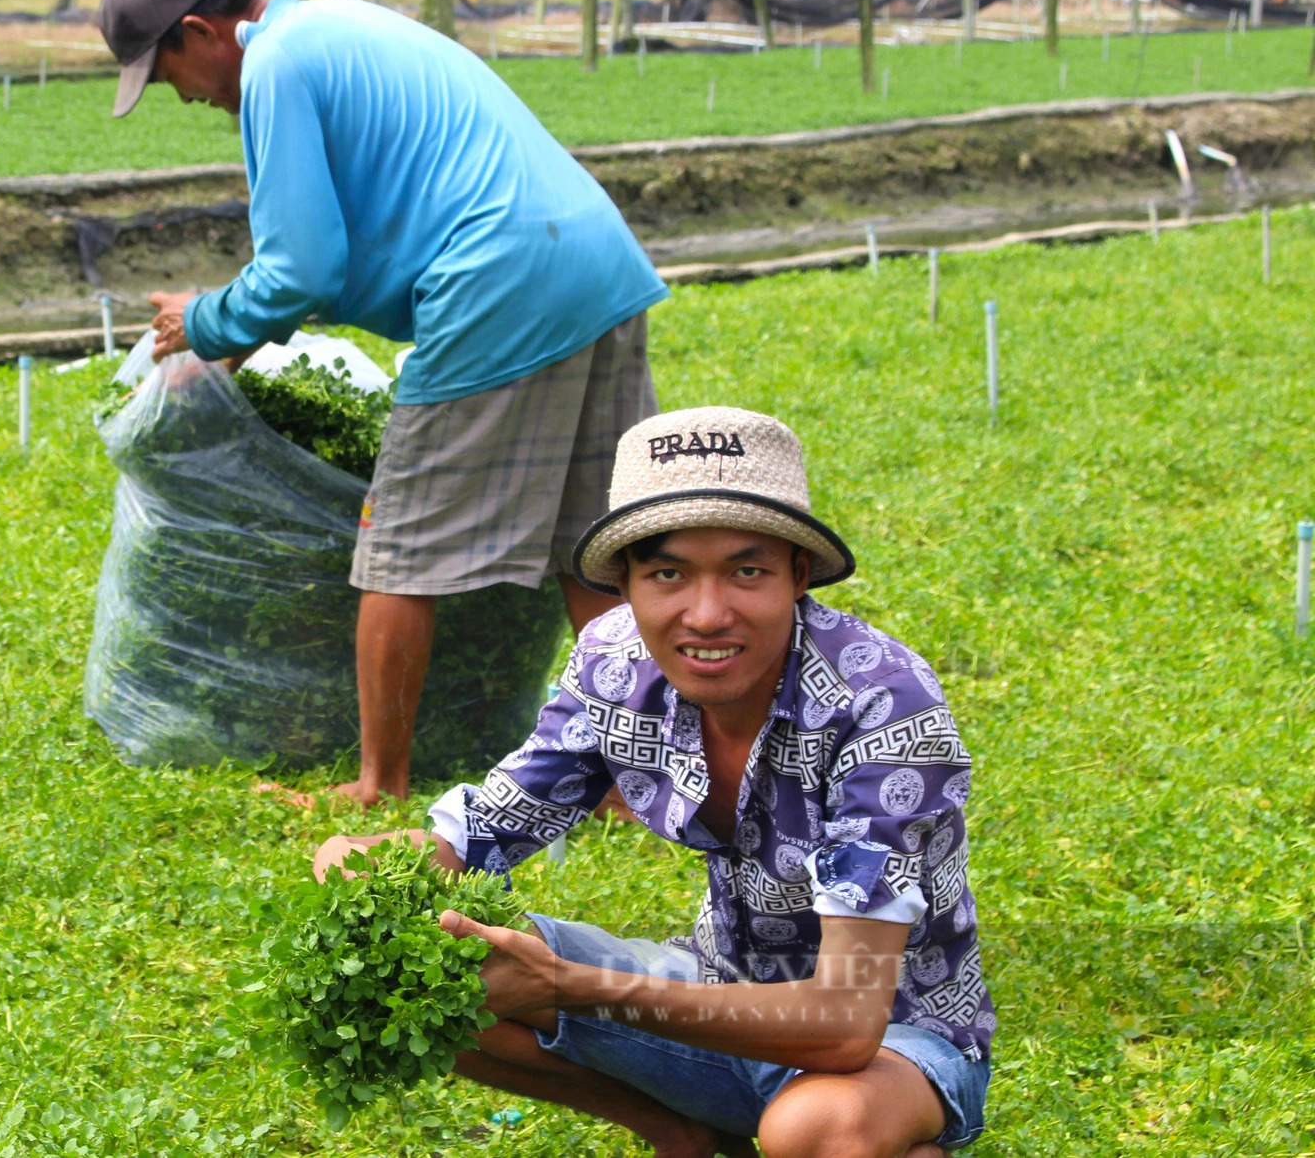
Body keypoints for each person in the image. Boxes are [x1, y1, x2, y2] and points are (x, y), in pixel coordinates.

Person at [310, 407, 993, 1157]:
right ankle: (681, 1131)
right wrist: (378, 863)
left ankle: (876, 1134)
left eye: (747, 570)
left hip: (892, 1034)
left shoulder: (884, 705)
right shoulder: (613, 661)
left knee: (811, 1128)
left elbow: (846, 1019)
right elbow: (487, 829)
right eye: (667, 572)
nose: (706, 614)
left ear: (798, 575)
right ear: (626, 584)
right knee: (425, 971)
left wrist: (571, 983)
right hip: (713, 982)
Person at [97, 0, 667, 806]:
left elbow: (304, 271)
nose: (185, 93)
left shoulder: (276, 65)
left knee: (397, 550)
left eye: (168, 71)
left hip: (497, 280)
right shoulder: (338, 24)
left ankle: (376, 785)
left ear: (198, 31)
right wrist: (237, 334)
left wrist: (203, 322)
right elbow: (360, 241)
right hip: (594, 263)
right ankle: (635, 786)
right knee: (592, 549)